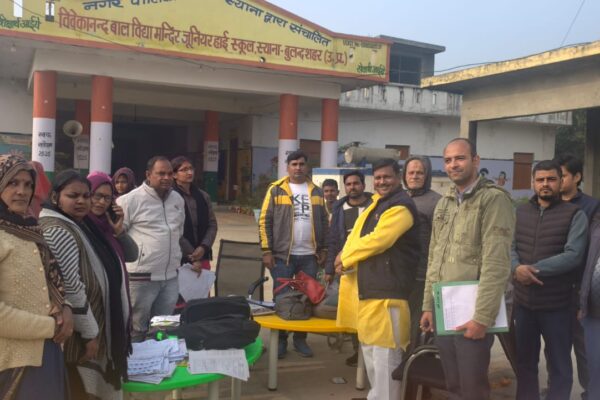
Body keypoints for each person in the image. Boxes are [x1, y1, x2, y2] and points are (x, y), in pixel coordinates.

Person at [420, 138, 515, 400]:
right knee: (453, 384)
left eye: (460, 158)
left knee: (472, 387)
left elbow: (496, 263)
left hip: (472, 312)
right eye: (448, 160)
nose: (453, 165)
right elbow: (434, 257)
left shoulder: (493, 199)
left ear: (475, 160)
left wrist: (482, 317)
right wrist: (428, 305)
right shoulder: (445, 202)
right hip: (444, 309)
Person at [39, 170, 130, 399]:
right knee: (80, 388)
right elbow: (72, 289)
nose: (82, 201)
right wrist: (90, 334)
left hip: (89, 326)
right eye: (73, 196)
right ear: (55, 197)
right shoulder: (59, 229)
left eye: (85, 196)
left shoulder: (77, 224)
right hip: (79, 333)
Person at [335, 158, 420, 400]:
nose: (382, 182)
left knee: (386, 362)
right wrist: (343, 255)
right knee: (372, 357)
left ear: (398, 177)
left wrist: (346, 257)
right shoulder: (377, 203)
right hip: (371, 292)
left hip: (389, 295)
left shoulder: (401, 207)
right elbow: (356, 235)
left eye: (387, 177)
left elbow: (378, 240)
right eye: (379, 177)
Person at [511, 160, 588, 400]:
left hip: (557, 306)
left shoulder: (574, 215)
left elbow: (573, 255)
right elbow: (509, 247)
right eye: (540, 179)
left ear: (561, 181)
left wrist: (531, 270)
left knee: (559, 366)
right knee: (525, 364)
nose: (545, 184)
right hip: (524, 305)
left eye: (551, 179)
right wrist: (516, 268)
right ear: (533, 182)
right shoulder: (519, 212)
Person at [0, 154, 72, 400]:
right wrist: (51, 327)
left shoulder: (31, 229)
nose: (22, 191)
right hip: (13, 361)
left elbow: (51, 281)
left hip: (46, 353)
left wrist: (66, 308)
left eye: (28, 184)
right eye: (13, 183)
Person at [259, 150, 328, 358]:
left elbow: (324, 221)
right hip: (283, 256)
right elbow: (265, 220)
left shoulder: (316, 191)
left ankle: (300, 339)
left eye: (302, 164)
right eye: (294, 164)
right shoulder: (276, 190)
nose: (298, 167)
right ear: (287, 167)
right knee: (282, 298)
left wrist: (323, 249)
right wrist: (266, 250)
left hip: (309, 257)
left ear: (307, 167)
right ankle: (281, 340)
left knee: (306, 299)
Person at [117, 156, 185, 341]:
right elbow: (119, 235)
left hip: (170, 277)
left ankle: (160, 360)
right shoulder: (129, 200)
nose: (166, 178)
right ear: (148, 175)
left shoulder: (177, 199)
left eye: (169, 173)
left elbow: (179, 231)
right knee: (136, 329)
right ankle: (135, 360)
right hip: (141, 277)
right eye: (161, 173)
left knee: (163, 328)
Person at [550, 153, 597, 399]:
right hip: (552, 287)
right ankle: (556, 390)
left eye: (563, 175)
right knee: (555, 344)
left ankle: (591, 391)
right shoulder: (549, 203)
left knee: (583, 346)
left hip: (579, 286)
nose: (558, 180)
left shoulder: (592, 207)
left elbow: (591, 252)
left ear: (577, 177)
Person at [324, 170, 372, 367]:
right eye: (349, 184)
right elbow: (333, 240)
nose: (352, 187)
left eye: (356, 183)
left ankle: (369, 353)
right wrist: (329, 269)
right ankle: (357, 351)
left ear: (363, 185)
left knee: (368, 312)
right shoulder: (339, 208)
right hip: (345, 268)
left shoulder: (374, 205)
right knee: (352, 311)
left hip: (370, 267)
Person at [401, 155, 441, 353]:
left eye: (420, 173)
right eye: (411, 172)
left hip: (421, 275)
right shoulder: (399, 197)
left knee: (415, 326)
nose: (415, 176)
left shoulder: (437, 202)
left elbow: (440, 242)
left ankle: (412, 363)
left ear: (427, 175)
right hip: (398, 275)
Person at [171, 156, 218, 273]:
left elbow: (212, 225)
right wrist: (191, 253)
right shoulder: (170, 197)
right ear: (174, 175)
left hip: (203, 255)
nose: (189, 172)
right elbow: (174, 229)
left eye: (191, 169)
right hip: (178, 257)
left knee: (201, 284)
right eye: (184, 170)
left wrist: (204, 247)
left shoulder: (203, 196)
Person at [580, 216, 600, 400]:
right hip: (593, 312)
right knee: (595, 367)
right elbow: (585, 263)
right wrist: (582, 301)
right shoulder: (596, 223)